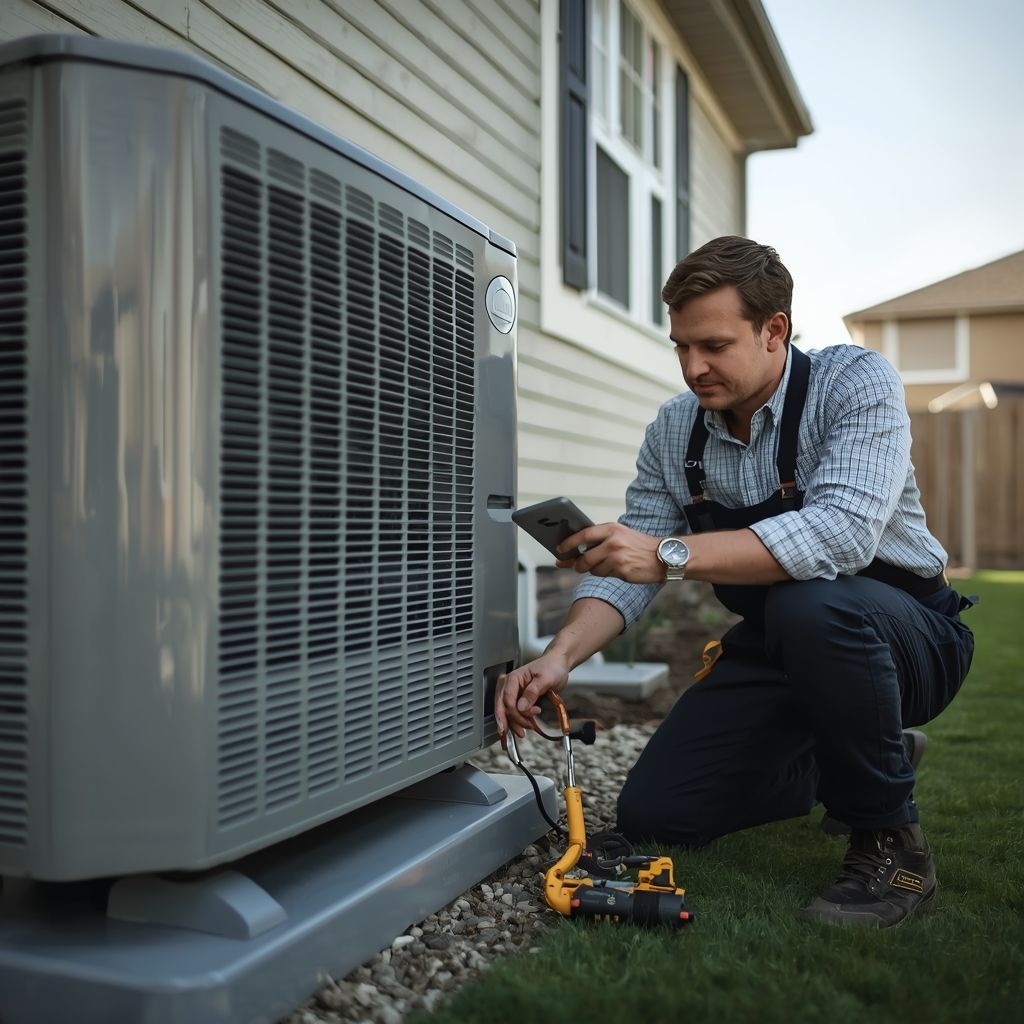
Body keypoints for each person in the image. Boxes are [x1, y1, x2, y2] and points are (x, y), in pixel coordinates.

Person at [495, 235, 975, 928]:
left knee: (814, 603)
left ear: (773, 329)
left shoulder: (856, 383)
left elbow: (837, 534)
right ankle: (865, 747)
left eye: (714, 345)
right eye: (681, 347)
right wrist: (559, 657)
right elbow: (631, 573)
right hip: (785, 644)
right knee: (658, 814)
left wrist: (665, 553)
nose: (694, 367)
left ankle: (892, 844)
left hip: (909, 640)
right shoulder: (674, 431)